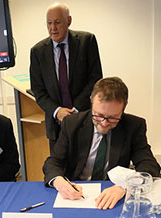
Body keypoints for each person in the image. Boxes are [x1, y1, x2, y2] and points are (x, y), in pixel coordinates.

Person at [42, 77, 161, 210]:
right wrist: (59, 181)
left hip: (113, 193)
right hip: (77, 194)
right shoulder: (72, 123)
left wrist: (124, 186)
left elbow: (149, 164)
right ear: (91, 100)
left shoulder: (133, 126)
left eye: (112, 118)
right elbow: (53, 162)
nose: (104, 123)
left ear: (123, 110)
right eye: (98, 115)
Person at [30, 2, 103, 153]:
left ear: (68, 20)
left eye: (57, 22)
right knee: (59, 169)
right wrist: (58, 111)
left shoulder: (86, 41)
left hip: (84, 118)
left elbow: (95, 80)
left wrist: (74, 111)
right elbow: (38, 90)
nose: (53, 28)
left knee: (85, 168)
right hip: (56, 125)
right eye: (49, 23)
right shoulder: (37, 51)